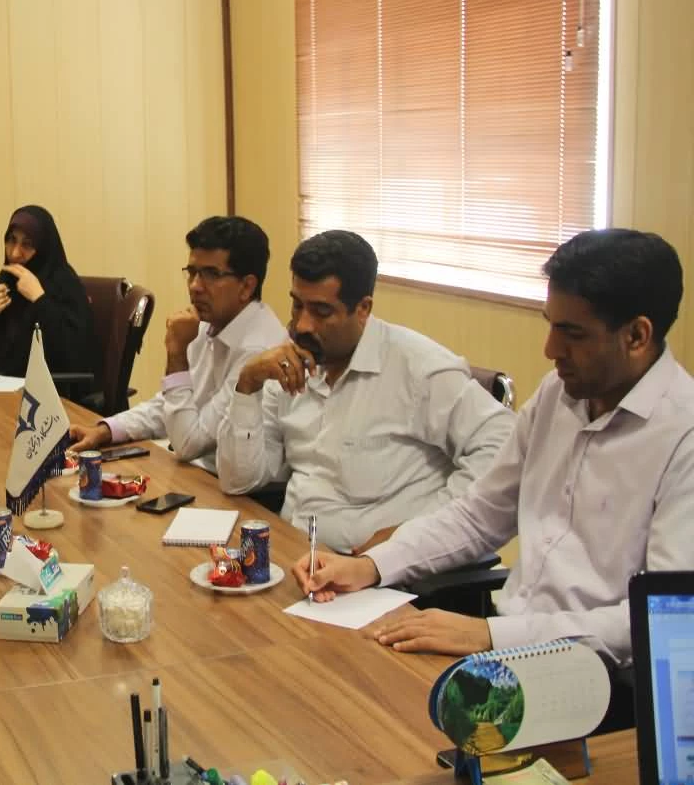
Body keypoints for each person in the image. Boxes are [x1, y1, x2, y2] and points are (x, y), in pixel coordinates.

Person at [292, 229, 694, 672]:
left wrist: (489, 635)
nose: (550, 349)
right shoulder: (557, 395)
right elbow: (479, 516)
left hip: (600, 676)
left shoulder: (683, 437)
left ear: (637, 335)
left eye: (572, 333)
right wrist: (371, 566)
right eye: (550, 325)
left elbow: (662, 619)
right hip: (507, 645)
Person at [217, 230, 514, 553]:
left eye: (321, 311)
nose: (302, 325)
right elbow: (239, 481)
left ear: (363, 308)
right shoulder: (290, 363)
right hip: (292, 550)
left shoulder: (419, 368)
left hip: (375, 569)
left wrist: (417, 533)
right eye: (297, 305)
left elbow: (503, 449)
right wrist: (248, 385)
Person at [68, 216, 287, 472]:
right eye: (192, 272)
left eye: (211, 275)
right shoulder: (209, 324)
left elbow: (189, 443)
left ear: (247, 286)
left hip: (229, 485)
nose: (195, 286)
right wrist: (105, 430)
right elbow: (169, 404)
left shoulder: (257, 350)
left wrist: (177, 355)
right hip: (198, 472)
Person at [0, 204, 96, 380]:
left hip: (54, 391)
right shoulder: (7, 280)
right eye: (11, 240)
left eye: (27, 244)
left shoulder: (64, 283)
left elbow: (72, 354)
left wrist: (39, 298)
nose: (15, 253)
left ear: (43, 248)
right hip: (7, 385)